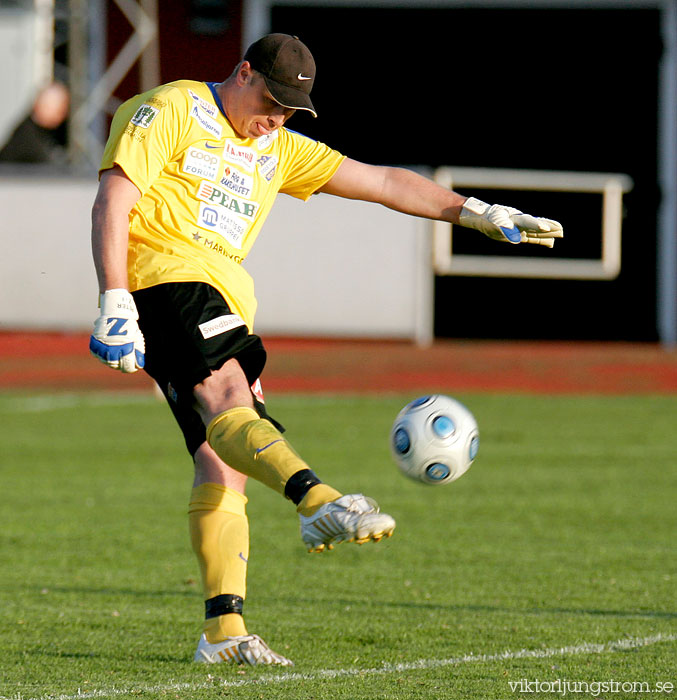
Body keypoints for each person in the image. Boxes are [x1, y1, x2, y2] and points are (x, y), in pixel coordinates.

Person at [89, 33, 563, 667]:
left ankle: (223, 633)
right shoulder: (171, 109)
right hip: (165, 279)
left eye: (290, 111)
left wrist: (474, 211)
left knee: (221, 458)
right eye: (271, 102)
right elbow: (115, 197)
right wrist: (115, 299)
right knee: (230, 401)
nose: (276, 119)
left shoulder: (278, 146)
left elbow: (382, 182)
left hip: (222, 297)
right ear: (242, 70)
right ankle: (319, 500)